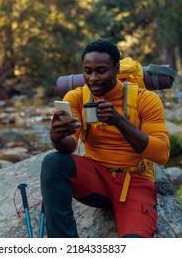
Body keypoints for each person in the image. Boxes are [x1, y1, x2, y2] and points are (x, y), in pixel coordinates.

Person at [40, 39, 170, 238]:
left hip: (135, 181)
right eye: (87, 71)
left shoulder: (145, 99)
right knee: (54, 162)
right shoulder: (75, 98)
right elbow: (69, 146)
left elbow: (161, 154)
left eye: (101, 71)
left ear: (116, 69)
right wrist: (57, 137)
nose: (93, 78)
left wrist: (119, 121)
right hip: (96, 178)